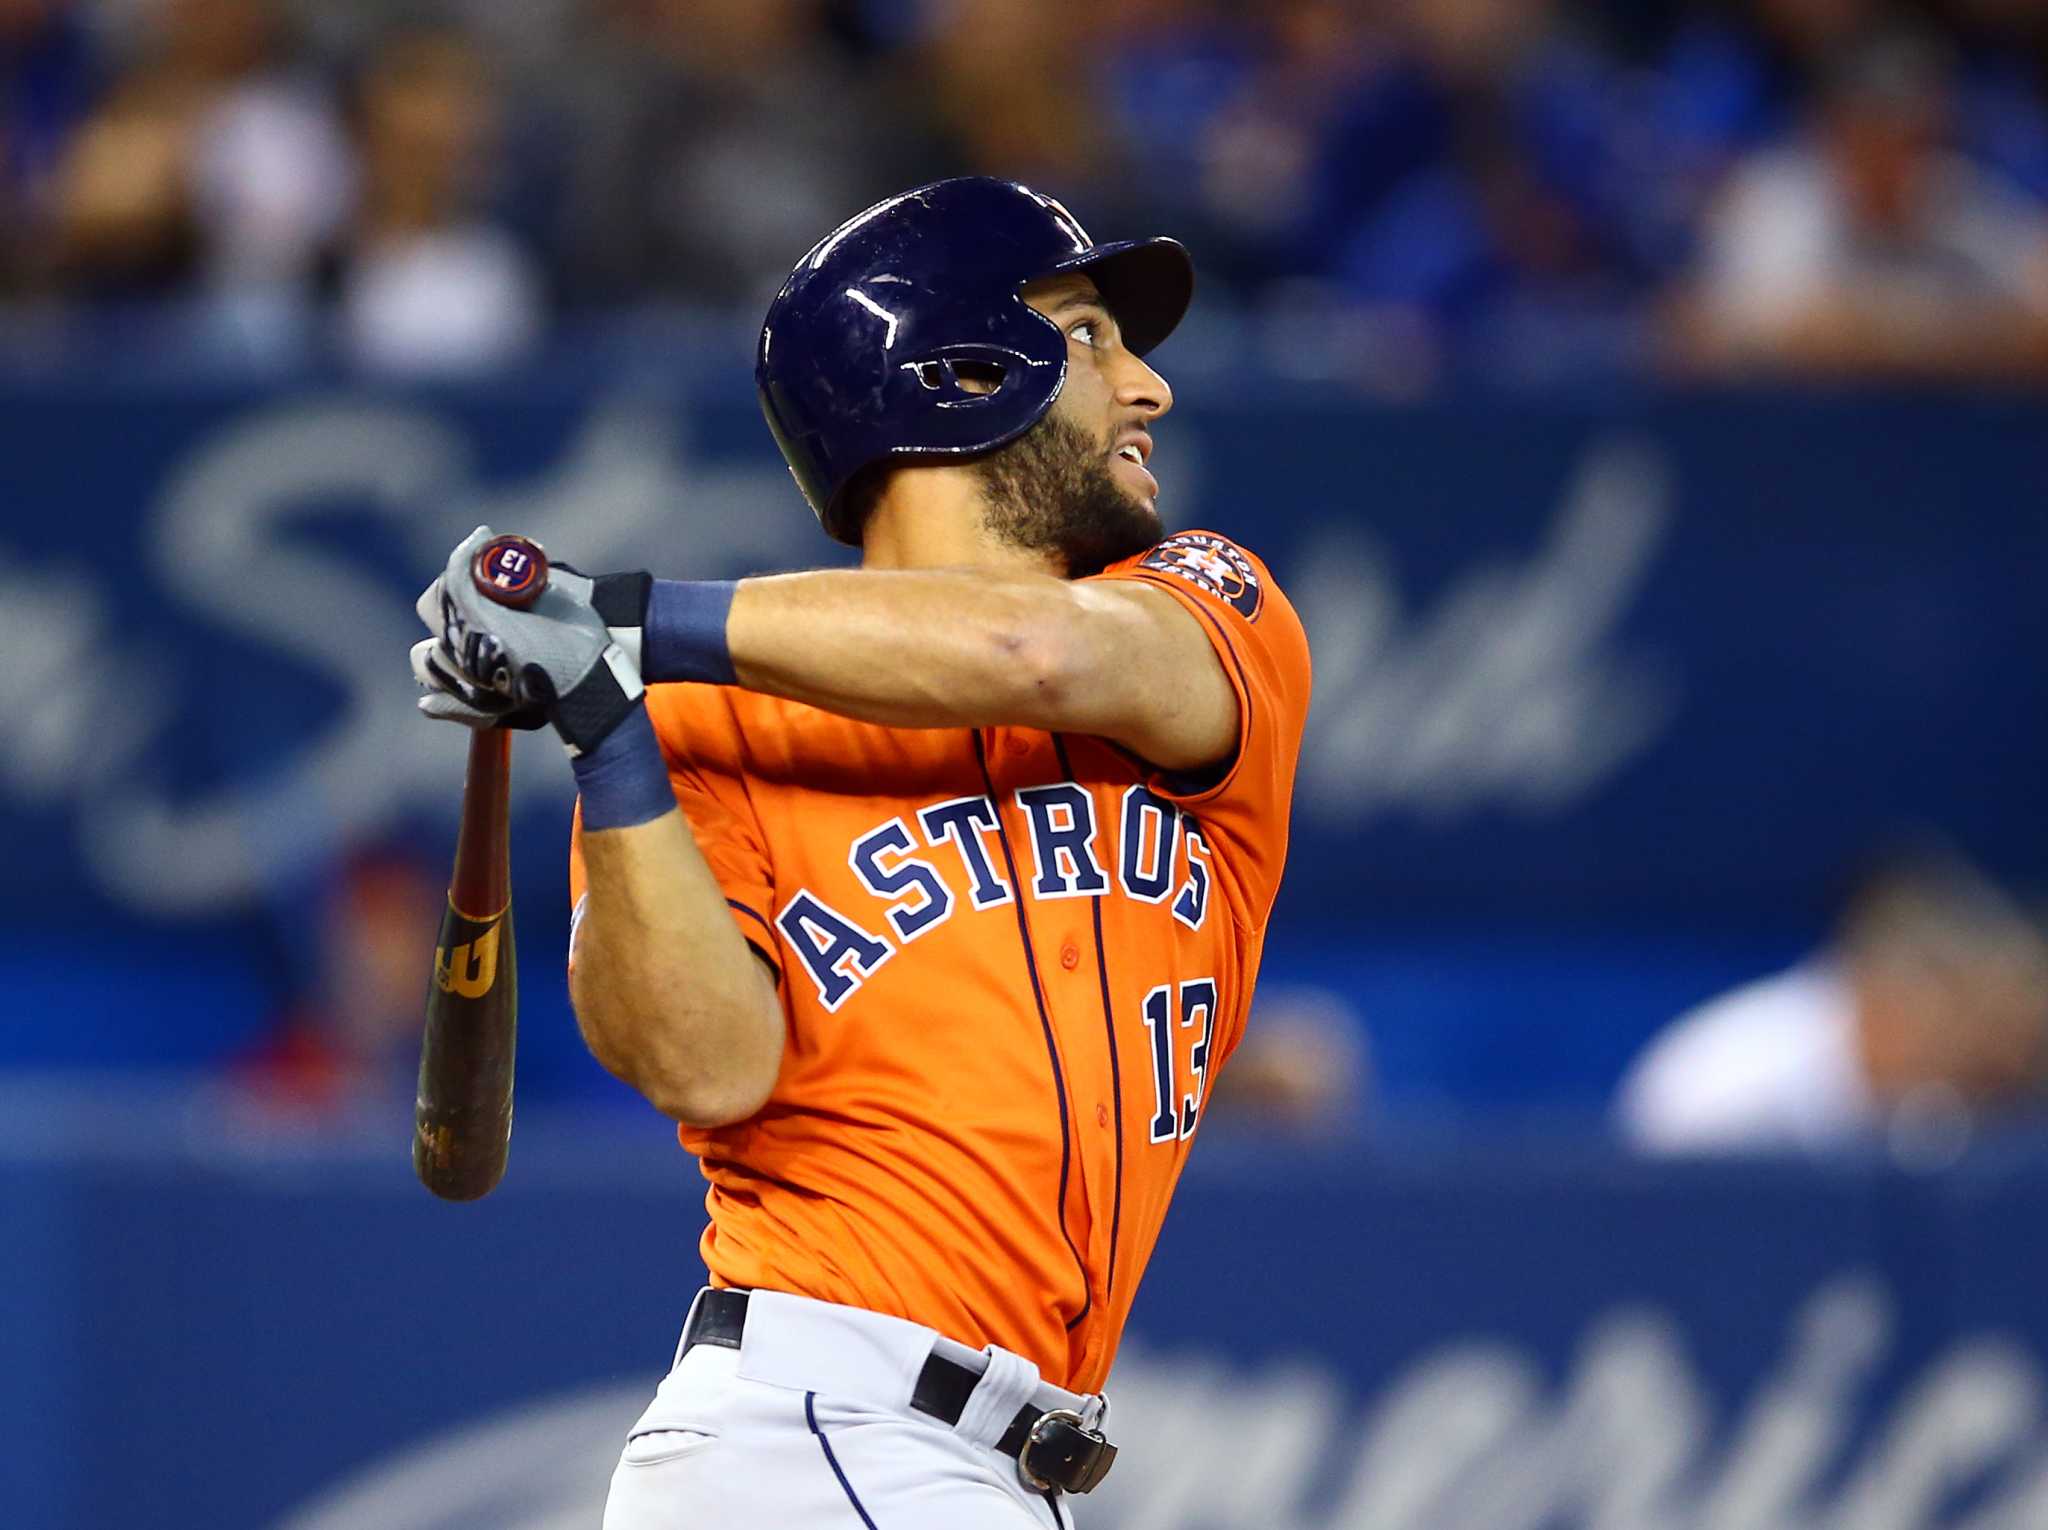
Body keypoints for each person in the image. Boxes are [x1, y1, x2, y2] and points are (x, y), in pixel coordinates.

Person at [407, 177, 1312, 1526]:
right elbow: (707, 1060)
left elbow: (1031, 652)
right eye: (1088, 332)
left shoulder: (1205, 612)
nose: (1148, 388)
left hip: (988, 1464)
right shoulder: (700, 717)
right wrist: (603, 726)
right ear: (962, 372)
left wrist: (623, 620)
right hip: (813, 1431)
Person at [1616, 851, 2048, 1155]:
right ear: (1893, 997)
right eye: (1954, 1004)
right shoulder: (1740, 1078)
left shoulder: (1942, 1099)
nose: (1974, 1038)